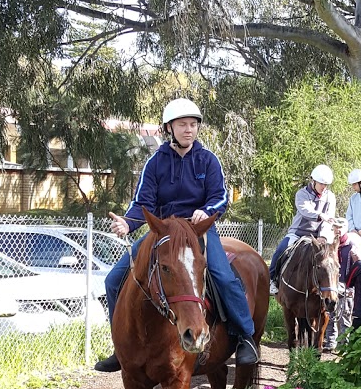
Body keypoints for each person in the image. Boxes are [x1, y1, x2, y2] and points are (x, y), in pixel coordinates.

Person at [94, 98, 259, 373]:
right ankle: (119, 347)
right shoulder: (155, 163)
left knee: (224, 277)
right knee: (114, 280)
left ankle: (245, 337)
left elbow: (221, 198)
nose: (189, 130)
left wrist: (205, 211)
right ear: (169, 127)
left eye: (193, 125)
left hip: (198, 231)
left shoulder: (208, 160)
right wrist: (127, 223)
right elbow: (142, 204)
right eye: (183, 124)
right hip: (164, 234)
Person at [268, 164, 336, 294]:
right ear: (313, 181)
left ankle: (335, 285)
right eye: (321, 183)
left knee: (331, 257)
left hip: (318, 236)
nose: (323, 187)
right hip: (298, 233)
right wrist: (320, 215)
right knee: (281, 250)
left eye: (326, 185)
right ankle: (271, 279)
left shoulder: (330, 197)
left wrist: (323, 236)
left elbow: (329, 219)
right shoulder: (302, 194)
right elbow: (305, 211)